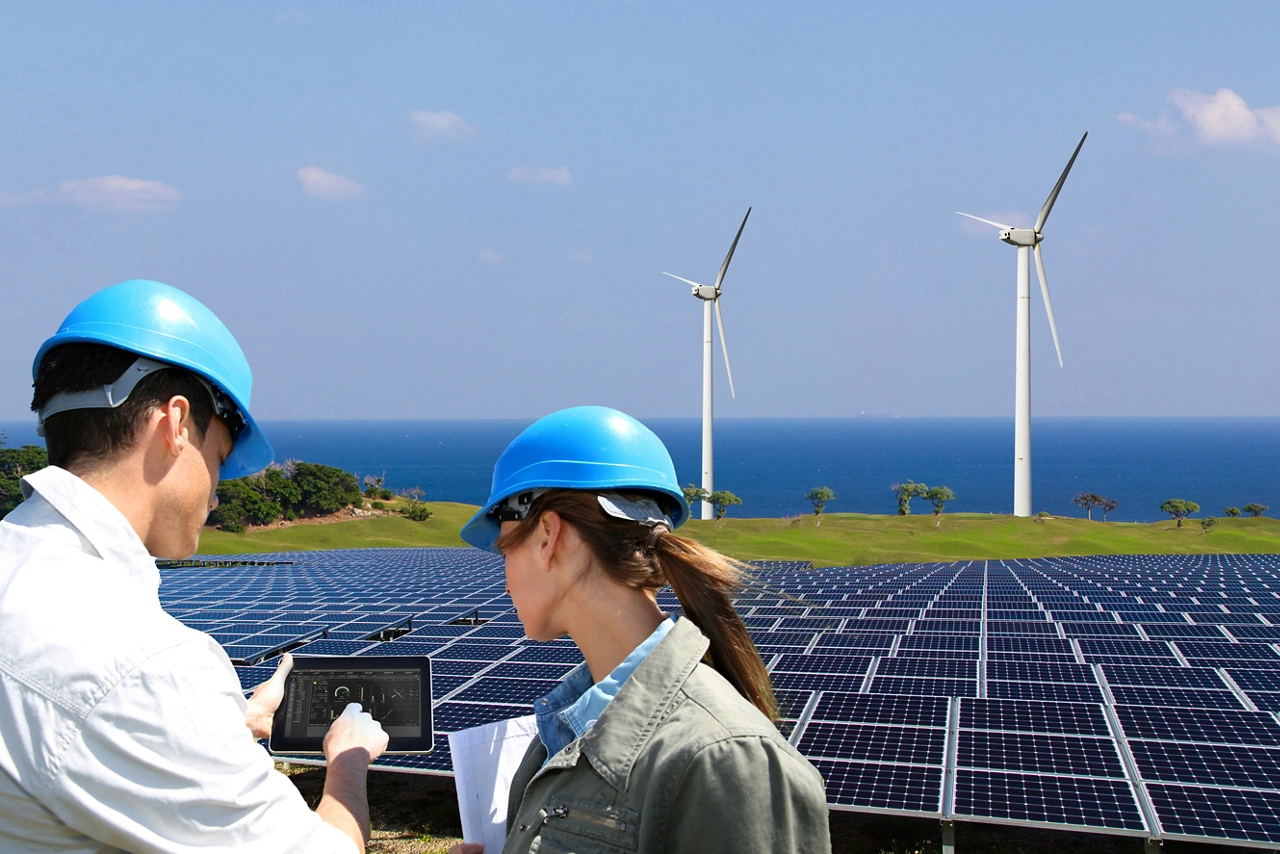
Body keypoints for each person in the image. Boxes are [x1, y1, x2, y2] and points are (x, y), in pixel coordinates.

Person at [0, 279, 389, 853]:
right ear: (176, 425)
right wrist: (347, 763)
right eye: (219, 460)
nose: (215, 497)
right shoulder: (145, 664)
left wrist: (225, 727)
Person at [452, 406, 831, 854]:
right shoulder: (568, 728)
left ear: (547, 536)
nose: (506, 577)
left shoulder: (725, 758)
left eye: (503, 550)